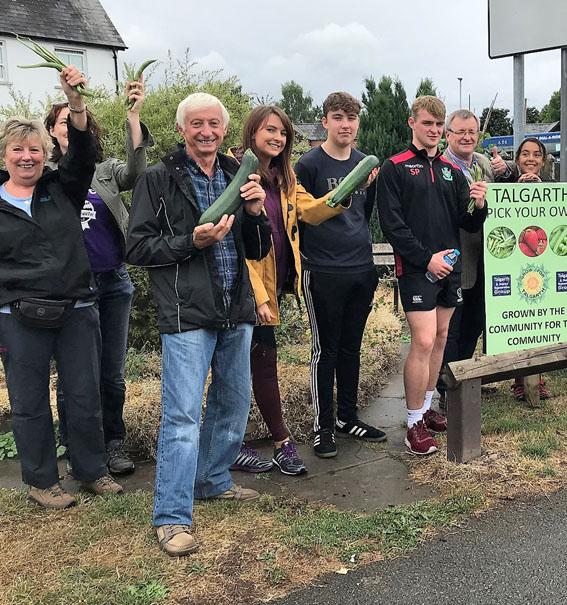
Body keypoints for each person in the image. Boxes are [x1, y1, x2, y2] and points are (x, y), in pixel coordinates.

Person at [126, 92, 272, 557]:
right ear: (182, 130)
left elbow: (257, 248)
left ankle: (213, 479)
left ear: (224, 131)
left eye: (213, 124)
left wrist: (254, 213)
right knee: (183, 415)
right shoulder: (158, 178)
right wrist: (191, 241)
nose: (206, 131)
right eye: (197, 124)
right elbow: (139, 248)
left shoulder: (239, 174)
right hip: (186, 311)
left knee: (232, 403)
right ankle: (171, 516)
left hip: (236, 307)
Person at [0, 66, 123, 509]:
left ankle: (92, 471)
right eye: (18, 150)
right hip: (18, 314)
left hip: (75, 306)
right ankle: (41, 482)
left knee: (84, 393)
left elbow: (84, 155)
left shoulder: (64, 188)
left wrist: (75, 103)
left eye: (35, 149)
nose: (27, 157)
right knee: (29, 401)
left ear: (45, 152)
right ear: (5, 156)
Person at [229, 105, 352, 475]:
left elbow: (311, 211)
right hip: (245, 291)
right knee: (255, 366)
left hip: (270, 287)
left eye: (282, 133)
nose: (277, 138)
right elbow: (241, 245)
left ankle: (235, 443)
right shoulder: (238, 175)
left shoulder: (284, 179)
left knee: (252, 365)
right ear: (252, 133)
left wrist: (346, 191)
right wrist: (260, 298)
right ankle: (280, 443)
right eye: (269, 130)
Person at [45, 77, 153, 475]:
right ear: (52, 131)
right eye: (63, 122)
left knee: (112, 374)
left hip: (113, 282)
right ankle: (74, 445)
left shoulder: (105, 170)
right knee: (74, 373)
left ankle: (113, 444)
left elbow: (138, 173)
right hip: (71, 288)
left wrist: (134, 118)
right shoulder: (47, 175)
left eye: (79, 120)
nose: (72, 126)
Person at [377, 96, 488, 456]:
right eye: (428, 124)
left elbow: (466, 221)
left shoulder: (451, 172)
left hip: (449, 268)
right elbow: (393, 226)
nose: (434, 131)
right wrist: (427, 260)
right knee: (423, 342)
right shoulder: (394, 167)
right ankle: (411, 424)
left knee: (441, 339)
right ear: (413, 123)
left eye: (439, 126)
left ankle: (425, 410)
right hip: (416, 268)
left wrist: (479, 204)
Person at [294, 91, 384, 459]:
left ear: (357, 122)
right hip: (322, 270)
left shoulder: (366, 164)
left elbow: (366, 213)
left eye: (351, 117)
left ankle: (348, 417)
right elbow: (300, 214)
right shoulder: (308, 165)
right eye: (338, 117)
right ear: (325, 121)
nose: (345, 124)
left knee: (351, 348)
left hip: (360, 268)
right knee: (325, 350)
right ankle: (323, 427)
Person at [435, 110, 516, 409]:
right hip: (458, 257)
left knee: (475, 323)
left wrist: (506, 169)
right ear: (449, 135)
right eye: (460, 132)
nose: (467, 137)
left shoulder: (484, 162)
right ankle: (447, 389)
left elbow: (512, 178)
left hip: (490, 257)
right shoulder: (440, 166)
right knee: (452, 327)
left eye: (472, 132)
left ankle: (465, 377)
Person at [510, 137, 552, 401]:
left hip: (543, 265)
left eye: (537, 155)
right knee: (516, 325)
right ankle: (517, 380)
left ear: (544, 160)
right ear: (517, 160)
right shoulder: (504, 187)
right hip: (514, 264)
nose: (531, 159)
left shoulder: (554, 189)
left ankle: (539, 378)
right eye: (525, 154)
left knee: (540, 324)